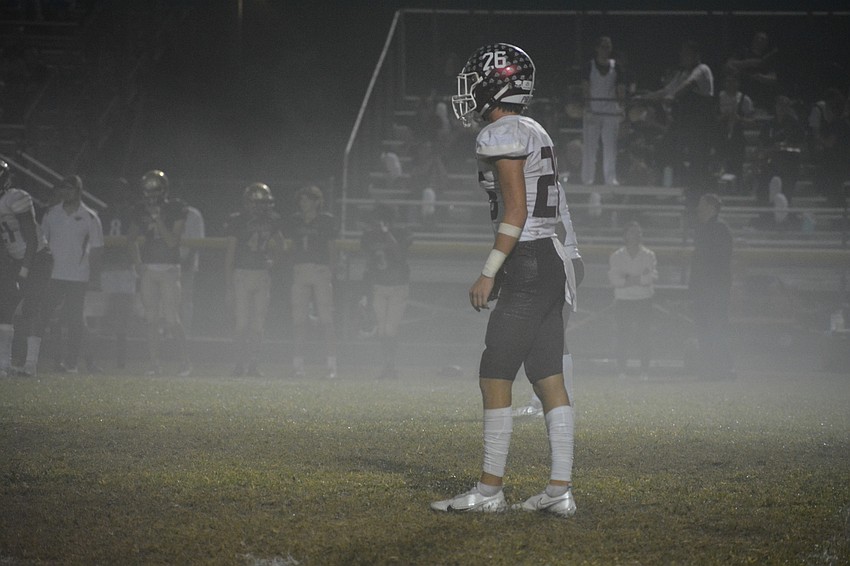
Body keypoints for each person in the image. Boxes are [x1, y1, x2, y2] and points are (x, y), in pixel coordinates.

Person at [430, 43, 577, 517]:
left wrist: (490, 270)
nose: (470, 91)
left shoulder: (502, 132)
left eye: (475, 81)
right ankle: (559, 490)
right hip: (548, 259)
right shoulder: (533, 128)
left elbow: (515, 210)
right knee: (548, 376)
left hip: (528, 259)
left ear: (496, 84)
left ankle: (490, 490)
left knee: (494, 375)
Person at [126, 169, 192, 377]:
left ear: (164, 190)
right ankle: (155, 364)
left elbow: (172, 241)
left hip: (170, 268)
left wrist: (157, 219)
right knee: (151, 320)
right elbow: (130, 239)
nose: (151, 195)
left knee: (172, 319)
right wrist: (137, 262)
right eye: (148, 190)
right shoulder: (140, 209)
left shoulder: (176, 208)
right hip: (149, 269)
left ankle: (185, 361)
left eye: (155, 190)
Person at [39, 175, 104, 374]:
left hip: (77, 277)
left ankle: (72, 362)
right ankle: (52, 359)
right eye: (63, 189)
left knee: (75, 320)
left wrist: (94, 277)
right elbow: (42, 243)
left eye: (70, 189)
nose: (65, 193)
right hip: (53, 276)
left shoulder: (90, 217)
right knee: (47, 318)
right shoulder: (51, 214)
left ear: (78, 191)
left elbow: (97, 249)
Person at [223, 183, 284, 378]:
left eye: (264, 203)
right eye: (258, 203)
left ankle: (253, 364)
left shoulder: (272, 220)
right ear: (248, 203)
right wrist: (229, 285)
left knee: (258, 324)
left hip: (261, 274)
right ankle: (239, 363)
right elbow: (230, 253)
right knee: (241, 323)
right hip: (242, 273)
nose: (261, 207)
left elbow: (281, 243)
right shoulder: (238, 220)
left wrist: (274, 261)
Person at [646, 40, 715, 208]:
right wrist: (644, 97)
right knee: (663, 149)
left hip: (699, 126)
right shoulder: (682, 73)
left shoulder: (702, 69)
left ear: (695, 55)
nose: (682, 57)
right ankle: (676, 184)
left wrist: (674, 96)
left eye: (686, 53)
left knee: (697, 162)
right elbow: (666, 90)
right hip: (683, 124)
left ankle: (696, 197)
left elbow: (688, 84)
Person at [0, 159, 53, 377]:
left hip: (37, 258)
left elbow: (31, 238)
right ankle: (3, 364)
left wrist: (23, 270)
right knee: (5, 307)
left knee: (32, 309)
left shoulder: (16, 198)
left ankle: (30, 364)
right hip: (15, 258)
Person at [285, 185, 338, 379]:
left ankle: (331, 365)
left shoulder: (326, 221)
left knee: (326, 320)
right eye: (301, 200)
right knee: (299, 321)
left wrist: (331, 270)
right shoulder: (295, 220)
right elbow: (292, 246)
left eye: (306, 199)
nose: (302, 203)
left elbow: (331, 247)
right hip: (300, 270)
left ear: (316, 201)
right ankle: (298, 365)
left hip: (320, 269)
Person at [360, 203, 412, 380]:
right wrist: (365, 291)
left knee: (390, 329)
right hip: (378, 286)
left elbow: (399, 255)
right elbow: (369, 264)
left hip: (398, 286)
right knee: (382, 330)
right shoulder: (369, 236)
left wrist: (387, 233)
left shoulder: (401, 232)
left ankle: (391, 365)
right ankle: (387, 365)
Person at [689, 193, 735, 380]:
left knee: (716, 328)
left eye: (701, 204)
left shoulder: (720, 229)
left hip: (714, 290)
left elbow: (718, 262)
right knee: (705, 329)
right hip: (705, 289)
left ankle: (722, 368)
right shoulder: (704, 229)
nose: (698, 208)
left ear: (711, 207)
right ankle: (710, 368)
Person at [608, 221, 658, 378]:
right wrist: (638, 278)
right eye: (632, 232)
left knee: (644, 335)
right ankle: (622, 370)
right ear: (625, 235)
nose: (636, 236)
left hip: (644, 299)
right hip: (623, 300)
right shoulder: (616, 256)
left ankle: (644, 370)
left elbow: (650, 278)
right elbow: (615, 280)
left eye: (638, 232)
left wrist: (627, 279)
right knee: (622, 335)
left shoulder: (649, 255)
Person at [98, 178, 136, 369]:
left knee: (120, 312)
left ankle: (119, 356)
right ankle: (108, 355)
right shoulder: (107, 212)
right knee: (111, 312)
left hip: (120, 266)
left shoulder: (113, 212)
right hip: (113, 266)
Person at [580, 35, 627, 187]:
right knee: (590, 146)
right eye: (603, 47)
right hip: (593, 109)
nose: (606, 50)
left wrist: (621, 107)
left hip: (610, 110)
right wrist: (588, 107)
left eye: (608, 47)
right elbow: (585, 87)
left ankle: (610, 179)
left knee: (610, 146)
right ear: (597, 48)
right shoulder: (589, 66)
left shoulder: (616, 67)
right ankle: (587, 179)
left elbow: (620, 88)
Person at [715, 74, 755, 183]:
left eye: (733, 81)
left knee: (737, 166)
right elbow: (712, 119)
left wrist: (740, 119)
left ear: (738, 83)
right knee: (720, 165)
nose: (730, 84)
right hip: (721, 136)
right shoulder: (719, 97)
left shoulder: (744, 99)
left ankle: (737, 186)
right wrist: (724, 117)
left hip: (737, 137)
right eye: (728, 81)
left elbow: (753, 121)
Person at [179, 202, 204, 335]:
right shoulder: (165, 210)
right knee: (166, 299)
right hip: (167, 262)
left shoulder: (194, 214)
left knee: (186, 299)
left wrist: (188, 261)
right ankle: (166, 331)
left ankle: (185, 332)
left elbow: (198, 241)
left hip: (186, 263)